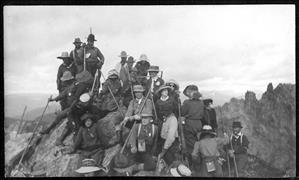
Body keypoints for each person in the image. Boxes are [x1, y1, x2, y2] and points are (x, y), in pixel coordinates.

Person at [39, 71, 93, 136]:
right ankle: (48, 130)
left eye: (66, 80)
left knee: (66, 118)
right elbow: (63, 94)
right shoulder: (71, 86)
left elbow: (80, 98)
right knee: (60, 116)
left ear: (70, 80)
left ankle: (51, 131)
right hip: (72, 107)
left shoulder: (80, 85)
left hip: (77, 107)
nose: (65, 82)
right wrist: (54, 99)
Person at [155, 85, 180, 166]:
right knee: (160, 138)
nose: (166, 92)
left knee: (171, 140)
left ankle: (171, 162)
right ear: (161, 92)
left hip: (171, 119)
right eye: (164, 91)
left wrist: (172, 118)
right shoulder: (158, 102)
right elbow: (156, 112)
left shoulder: (172, 100)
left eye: (166, 90)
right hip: (161, 121)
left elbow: (176, 110)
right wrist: (161, 120)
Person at [181, 85, 205, 166]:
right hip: (199, 124)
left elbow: (182, 113)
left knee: (191, 145)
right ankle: (201, 161)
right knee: (198, 142)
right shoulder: (201, 103)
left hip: (189, 124)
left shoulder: (187, 102)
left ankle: (194, 164)